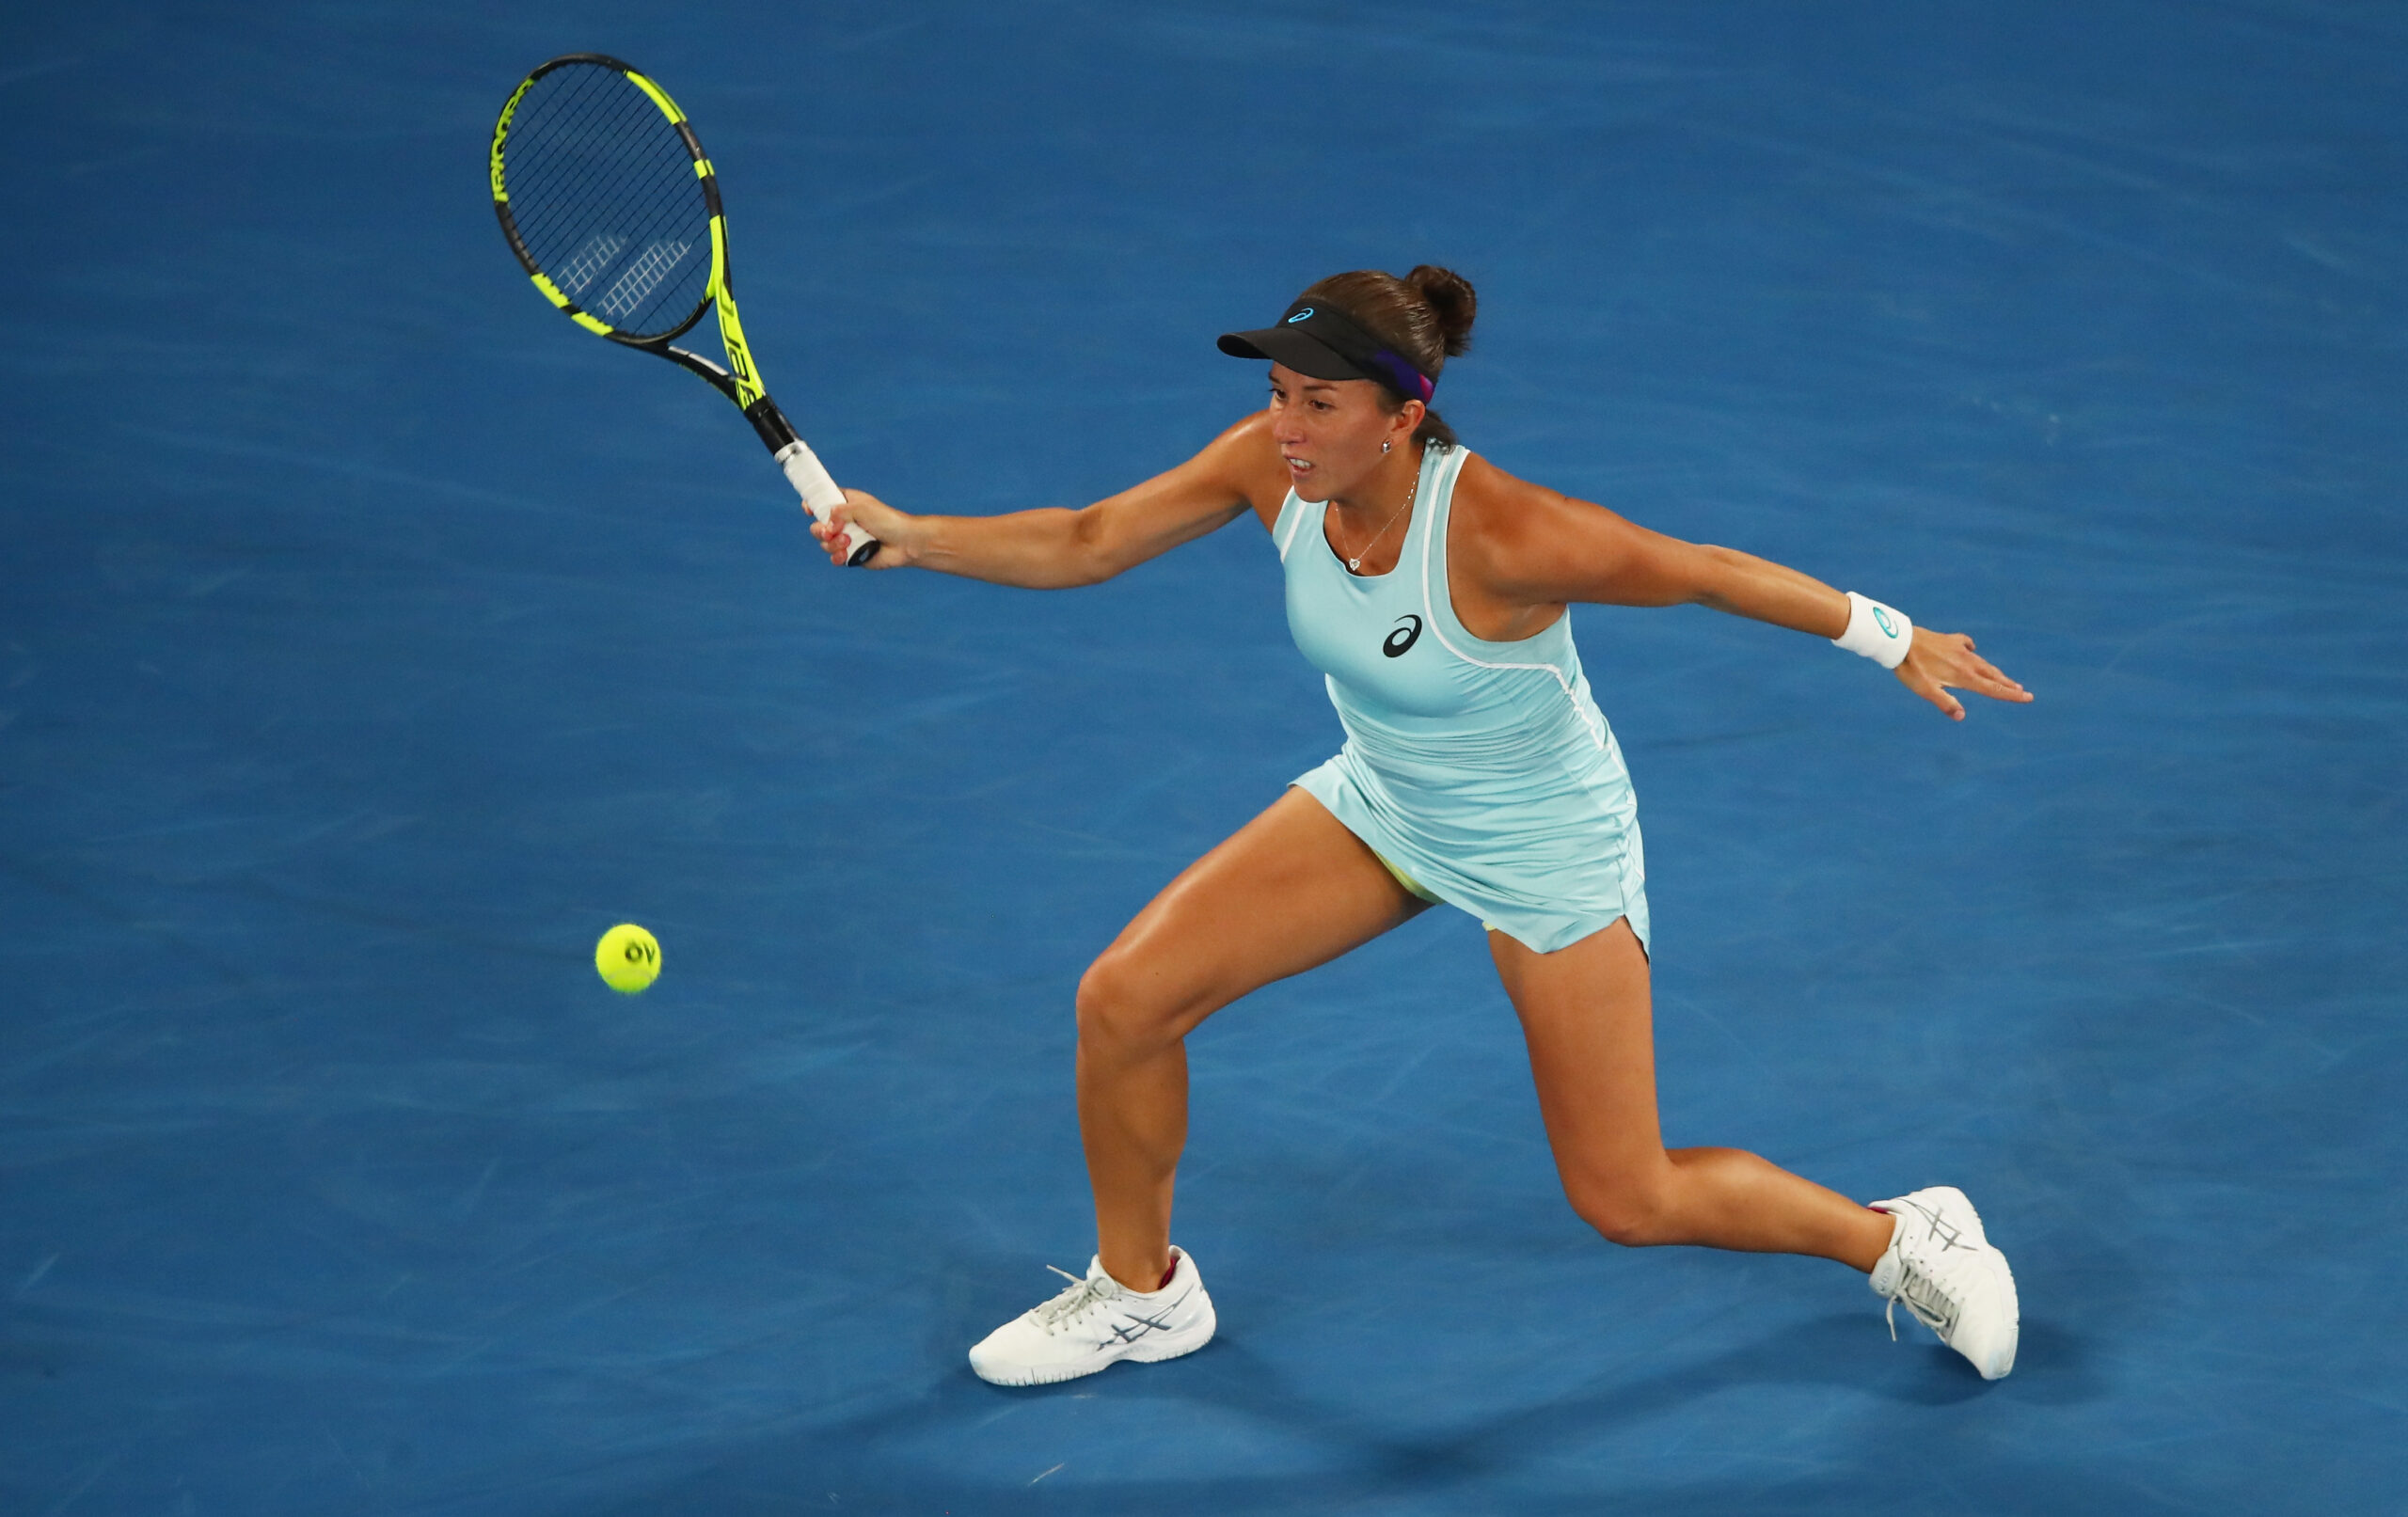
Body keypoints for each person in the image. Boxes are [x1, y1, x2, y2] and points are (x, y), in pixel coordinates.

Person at [811, 266, 2034, 1387]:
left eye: (1319, 403)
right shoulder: (1267, 467)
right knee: (1124, 1001)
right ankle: (1142, 1293)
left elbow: (1703, 568)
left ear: (1402, 417)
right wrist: (915, 536)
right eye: (1278, 395)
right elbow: (1090, 539)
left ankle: (1901, 1238)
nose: (1286, 426)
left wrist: (1893, 636)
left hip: (1546, 848)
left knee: (1628, 1195)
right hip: (1388, 803)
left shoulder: (1506, 530)